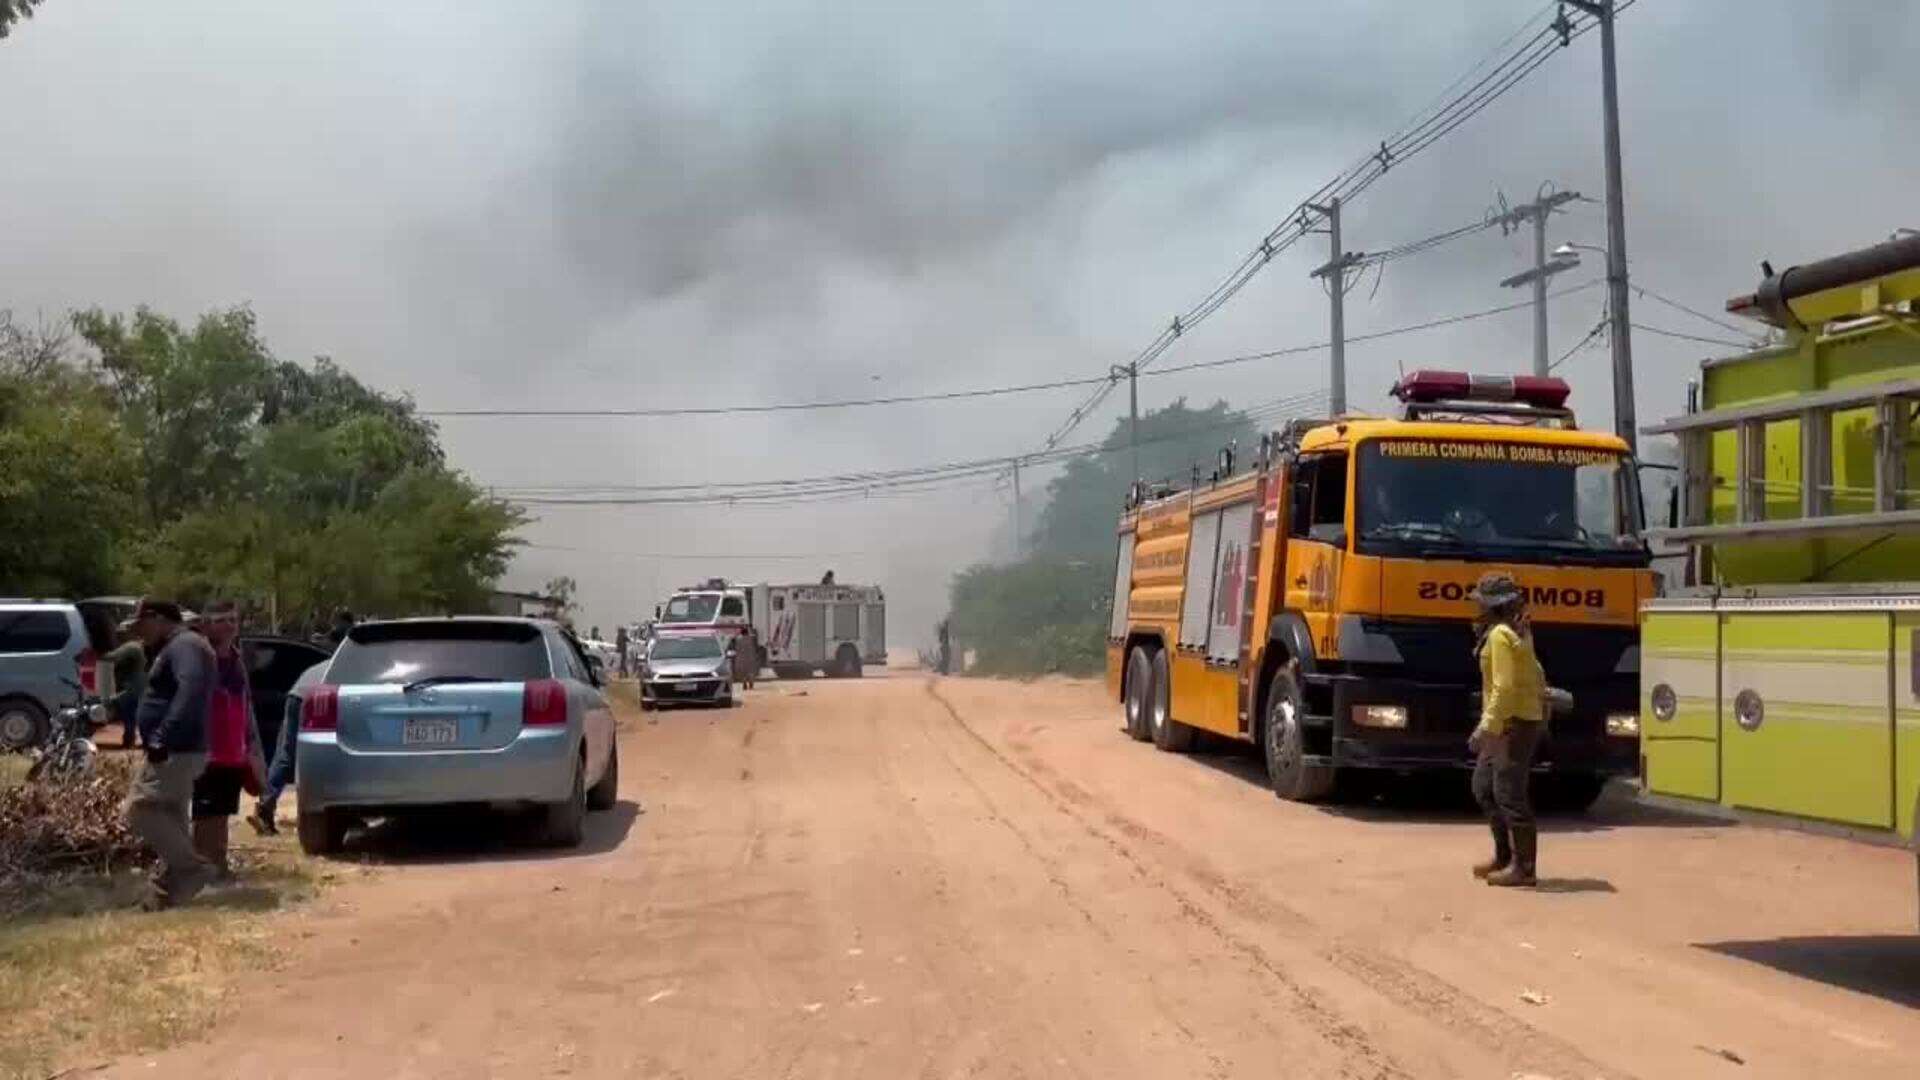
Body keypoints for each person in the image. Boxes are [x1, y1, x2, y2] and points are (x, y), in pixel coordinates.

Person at [124, 598, 218, 911]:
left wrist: (163, 734)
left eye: (141, 625)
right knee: (171, 813)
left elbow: (189, 689)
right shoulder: (184, 645)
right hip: (182, 748)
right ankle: (172, 892)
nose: (139, 633)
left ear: (158, 618)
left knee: (140, 809)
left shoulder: (185, 646)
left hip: (175, 748)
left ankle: (193, 869)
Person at [1467, 572, 1548, 888]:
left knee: (1508, 793)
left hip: (1512, 722)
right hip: (1510, 719)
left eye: (1482, 602)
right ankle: (1504, 856)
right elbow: (1534, 669)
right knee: (1484, 786)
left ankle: (1524, 868)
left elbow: (1503, 686)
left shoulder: (1501, 635)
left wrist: (1484, 728)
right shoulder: (1516, 630)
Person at [192, 601, 261, 881]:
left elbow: (246, 707)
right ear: (207, 625)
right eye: (221, 620)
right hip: (206, 753)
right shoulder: (200, 659)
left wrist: (251, 749)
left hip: (233, 753)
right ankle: (202, 870)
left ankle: (217, 866)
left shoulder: (236, 660)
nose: (229, 625)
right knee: (205, 815)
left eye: (233, 619)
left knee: (221, 814)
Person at [250, 659, 325, 836]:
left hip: (295, 695)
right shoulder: (351, 663)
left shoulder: (332, 661)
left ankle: (264, 807)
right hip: (308, 698)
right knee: (291, 757)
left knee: (284, 755)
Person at [97, 620, 149, 750]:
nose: (118, 635)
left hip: (131, 687)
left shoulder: (131, 646)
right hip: (135, 686)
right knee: (131, 716)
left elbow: (110, 658)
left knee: (130, 716)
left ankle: (130, 741)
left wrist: (98, 655)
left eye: (122, 632)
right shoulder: (134, 646)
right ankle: (134, 740)